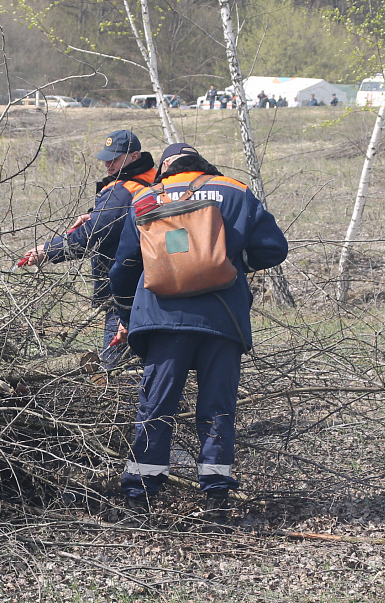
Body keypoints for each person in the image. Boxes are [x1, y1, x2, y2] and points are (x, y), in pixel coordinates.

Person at [109, 142, 289, 513]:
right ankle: (217, 495)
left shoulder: (146, 197)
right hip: (222, 317)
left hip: (162, 319)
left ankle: (140, 494)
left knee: (156, 406)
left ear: (164, 169)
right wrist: (230, 263)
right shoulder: (236, 190)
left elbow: (125, 265)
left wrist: (127, 314)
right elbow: (274, 248)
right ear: (203, 163)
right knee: (218, 406)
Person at [21, 130, 157, 370]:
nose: (107, 164)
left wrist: (47, 251)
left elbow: (92, 235)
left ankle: (122, 405)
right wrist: (95, 215)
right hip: (154, 288)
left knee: (117, 371)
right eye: (106, 158)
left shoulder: (123, 190)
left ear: (134, 156)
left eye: (114, 158)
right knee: (152, 366)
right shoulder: (153, 182)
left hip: (125, 295)